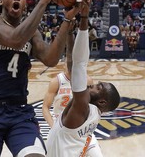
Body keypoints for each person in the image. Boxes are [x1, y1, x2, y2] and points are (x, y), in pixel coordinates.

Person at [0, 0, 85, 157]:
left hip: (20, 112)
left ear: (25, 3)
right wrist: (44, 1)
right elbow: (15, 40)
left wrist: (67, 21)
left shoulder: (32, 32)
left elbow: (51, 59)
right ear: (0, 0)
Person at [46, 0, 121, 157]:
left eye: (97, 87)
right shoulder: (95, 113)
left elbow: (78, 64)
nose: (91, 85)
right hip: (77, 145)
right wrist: (70, 34)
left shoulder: (81, 106)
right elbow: (74, 65)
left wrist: (84, 18)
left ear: (102, 101)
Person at [42, 21, 104, 156]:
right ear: (64, 64)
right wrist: (53, 126)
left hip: (81, 128)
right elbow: (45, 107)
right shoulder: (56, 81)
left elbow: (91, 106)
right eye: (67, 62)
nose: (69, 65)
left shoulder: (87, 80)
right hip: (62, 126)